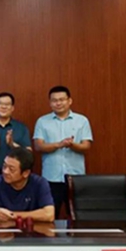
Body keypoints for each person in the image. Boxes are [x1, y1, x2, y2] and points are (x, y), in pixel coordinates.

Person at [33, 85, 93, 218]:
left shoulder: (82, 120)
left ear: (69, 101)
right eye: (54, 100)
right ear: (50, 103)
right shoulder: (42, 121)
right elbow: (38, 146)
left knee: (77, 216)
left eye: (62, 99)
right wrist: (59, 144)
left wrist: (72, 145)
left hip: (75, 177)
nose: (58, 103)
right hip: (51, 177)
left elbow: (86, 146)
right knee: (49, 216)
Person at [0, 147, 55, 222]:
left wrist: (13, 216)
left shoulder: (39, 184)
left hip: (30, 228)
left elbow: (49, 214)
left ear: (26, 173)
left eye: (11, 169)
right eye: (4, 166)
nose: (5, 171)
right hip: (1, 228)